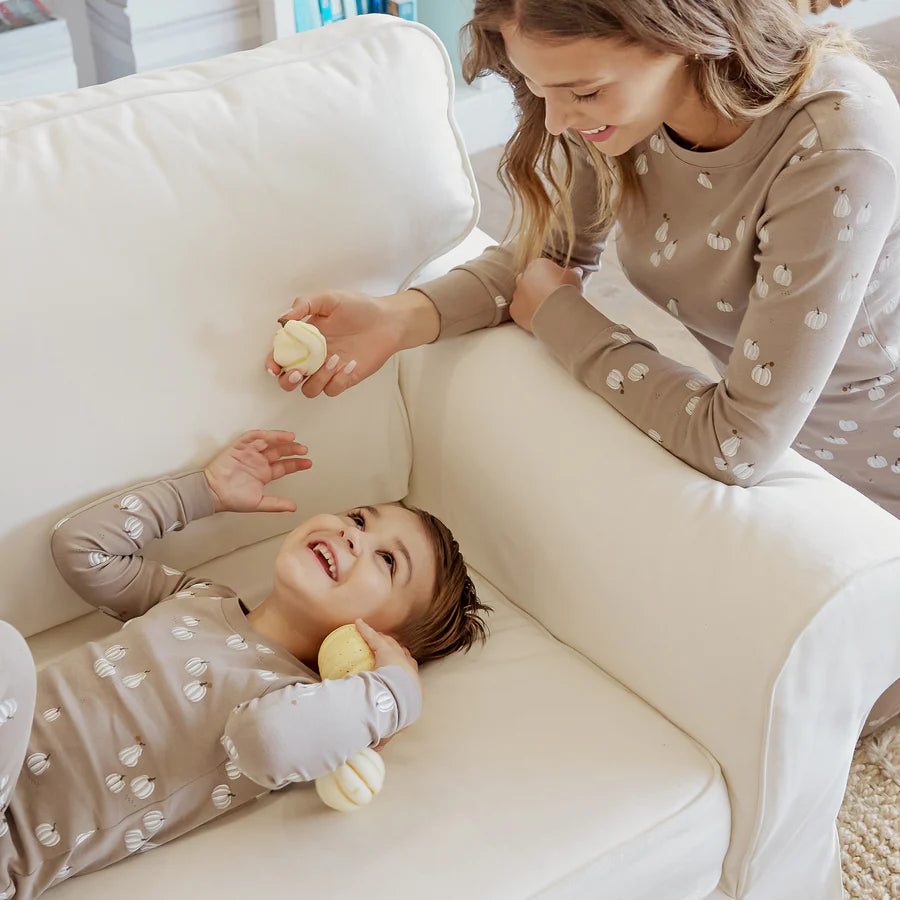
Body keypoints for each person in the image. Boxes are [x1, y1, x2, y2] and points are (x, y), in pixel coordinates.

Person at [265, 2, 900, 731]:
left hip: (878, 474)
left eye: (584, 92)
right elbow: (545, 260)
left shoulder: (834, 145)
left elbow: (738, 442)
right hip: (792, 445)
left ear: (688, 39)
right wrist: (398, 318)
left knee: (813, 711)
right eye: (540, 92)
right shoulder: (628, 116)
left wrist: (565, 321)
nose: (559, 122)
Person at [0, 430, 488, 900]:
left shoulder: (287, 699)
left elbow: (271, 742)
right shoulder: (197, 598)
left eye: (388, 562)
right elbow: (79, 548)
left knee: (8, 657)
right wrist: (204, 492)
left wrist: (395, 693)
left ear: (383, 641)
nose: (352, 535)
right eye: (359, 519)